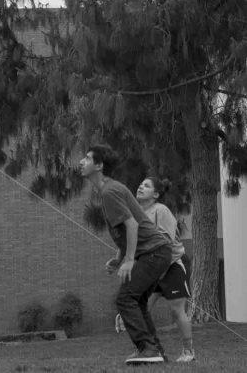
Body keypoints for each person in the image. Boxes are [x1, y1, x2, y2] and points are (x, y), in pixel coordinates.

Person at [79, 145, 173, 365]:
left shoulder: (109, 191)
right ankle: (155, 351)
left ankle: (147, 348)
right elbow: (125, 228)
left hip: (154, 252)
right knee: (137, 300)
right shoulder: (107, 190)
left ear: (99, 165)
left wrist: (130, 260)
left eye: (87, 158)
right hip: (156, 252)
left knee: (125, 298)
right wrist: (119, 257)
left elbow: (132, 225)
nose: (81, 161)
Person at [134, 176, 195, 363]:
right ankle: (152, 350)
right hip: (153, 269)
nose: (140, 186)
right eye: (140, 183)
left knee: (177, 311)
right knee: (142, 309)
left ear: (156, 194)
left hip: (171, 266)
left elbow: (166, 242)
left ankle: (188, 352)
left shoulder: (161, 210)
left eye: (146, 185)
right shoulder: (137, 214)